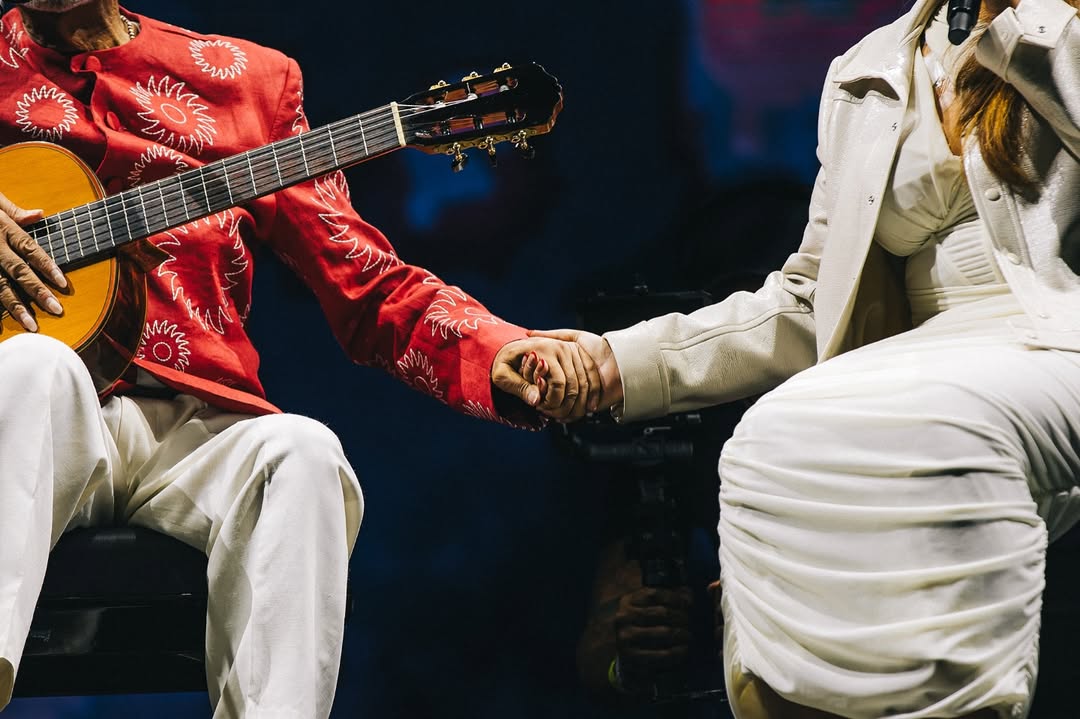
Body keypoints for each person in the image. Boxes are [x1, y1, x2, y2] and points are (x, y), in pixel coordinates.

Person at [0, 1, 600, 717]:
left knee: (305, 452)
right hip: (36, 417)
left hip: (196, 426)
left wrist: (497, 347)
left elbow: (367, 280)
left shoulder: (245, 82)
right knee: (39, 367)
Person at [532, 0, 1080, 716]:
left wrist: (1018, 18)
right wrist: (616, 362)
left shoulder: (1057, 31)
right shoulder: (868, 69)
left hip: (1053, 328)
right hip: (923, 351)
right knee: (768, 437)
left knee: (946, 424)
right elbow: (806, 299)